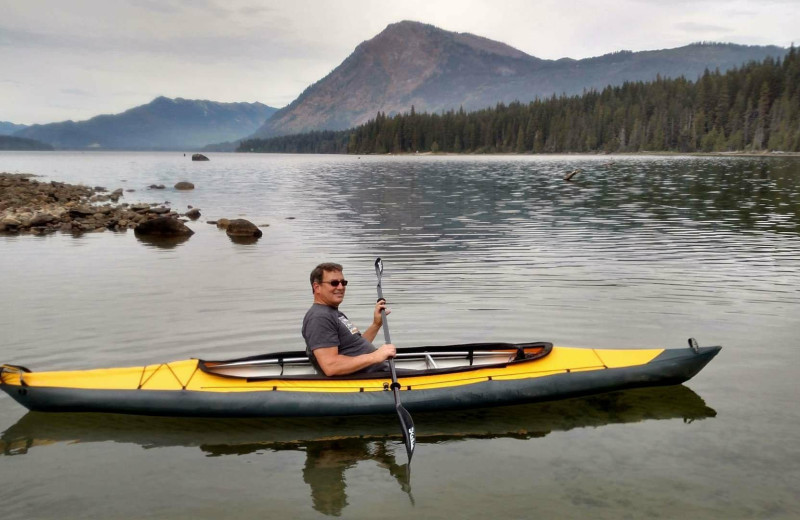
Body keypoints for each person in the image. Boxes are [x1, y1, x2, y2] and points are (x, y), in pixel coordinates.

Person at [302, 262, 396, 376]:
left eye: (343, 282)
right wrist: (374, 356)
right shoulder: (319, 317)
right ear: (317, 287)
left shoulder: (333, 313)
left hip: (380, 373)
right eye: (334, 283)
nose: (341, 287)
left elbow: (355, 347)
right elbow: (331, 366)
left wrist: (376, 325)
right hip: (371, 381)